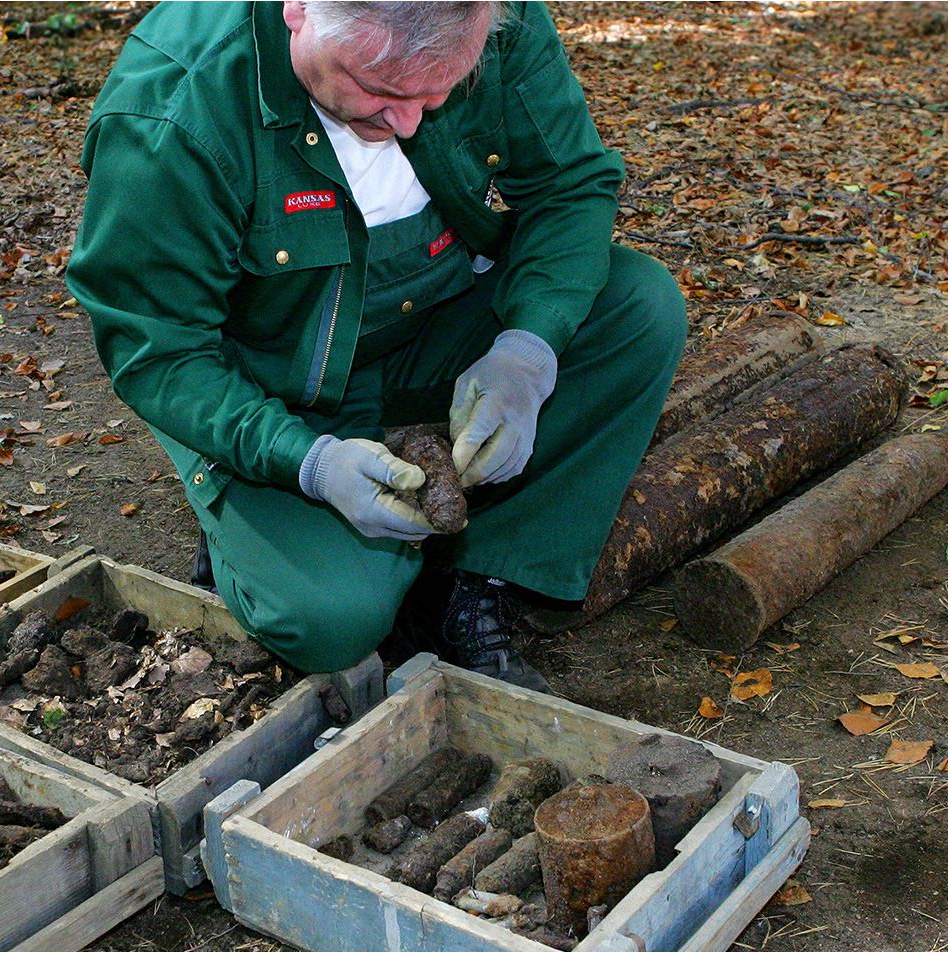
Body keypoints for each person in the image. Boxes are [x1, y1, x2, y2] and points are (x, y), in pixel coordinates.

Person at [69, 1, 687, 691]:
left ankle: (474, 576)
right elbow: (159, 352)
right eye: (381, 89)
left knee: (638, 310)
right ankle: (268, 528)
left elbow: (569, 186)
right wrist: (307, 462)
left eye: (438, 91)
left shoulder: (491, 18)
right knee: (332, 618)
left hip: (439, 325)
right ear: (300, 9)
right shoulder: (175, 109)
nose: (408, 123)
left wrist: (525, 350)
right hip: (273, 385)